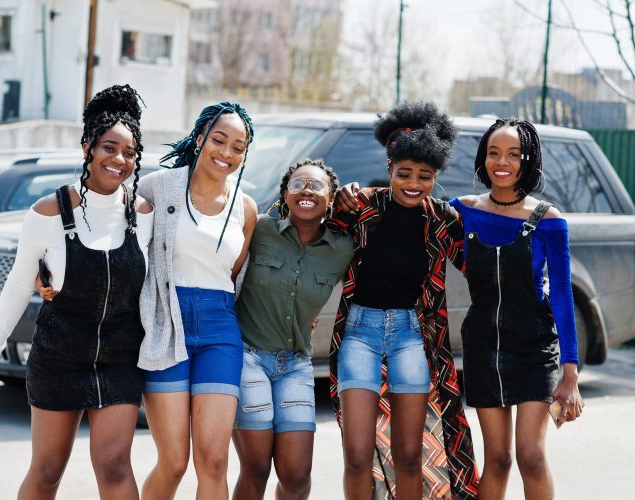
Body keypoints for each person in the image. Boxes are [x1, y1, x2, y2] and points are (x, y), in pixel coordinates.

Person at [0, 84, 154, 499]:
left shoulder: (144, 214)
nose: (119, 159)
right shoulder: (47, 212)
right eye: (110, 147)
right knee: (48, 470)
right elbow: (18, 286)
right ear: (87, 146)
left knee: (114, 464)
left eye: (129, 152)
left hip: (121, 358)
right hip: (59, 357)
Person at [331, 101, 479, 499]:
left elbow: (478, 268)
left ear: (436, 176)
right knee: (358, 455)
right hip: (358, 334)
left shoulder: (443, 219)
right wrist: (335, 193)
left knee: (410, 455)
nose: (413, 183)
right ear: (390, 168)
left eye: (425, 176)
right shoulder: (363, 205)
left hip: (410, 337)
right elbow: (307, 230)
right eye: (404, 174)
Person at [450, 118, 584, 499]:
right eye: (493, 153)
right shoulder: (462, 211)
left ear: (528, 160)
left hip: (534, 351)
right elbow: (409, 212)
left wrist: (569, 372)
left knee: (531, 456)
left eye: (513, 153)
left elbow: (561, 294)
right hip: (481, 349)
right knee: (498, 460)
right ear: (483, 159)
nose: (501, 161)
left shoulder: (549, 220)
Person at [136, 102, 257, 499]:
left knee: (215, 461)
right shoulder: (159, 186)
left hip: (221, 329)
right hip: (166, 322)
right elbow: (110, 232)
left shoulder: (246, 207)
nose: (227, 153)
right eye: (219, 140)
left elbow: (235, 273)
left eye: (238, 147)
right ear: (200, 137)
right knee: (173, 462)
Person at [232, 159, 354, 500]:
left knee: (297, 477)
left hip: (296, 365)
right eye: (298, 183)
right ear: (285, 194)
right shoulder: (259, 229)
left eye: (317, 186)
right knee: (255, 469)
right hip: (248, 357)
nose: (306, 191)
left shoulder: (342, 247)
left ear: (331, 199)